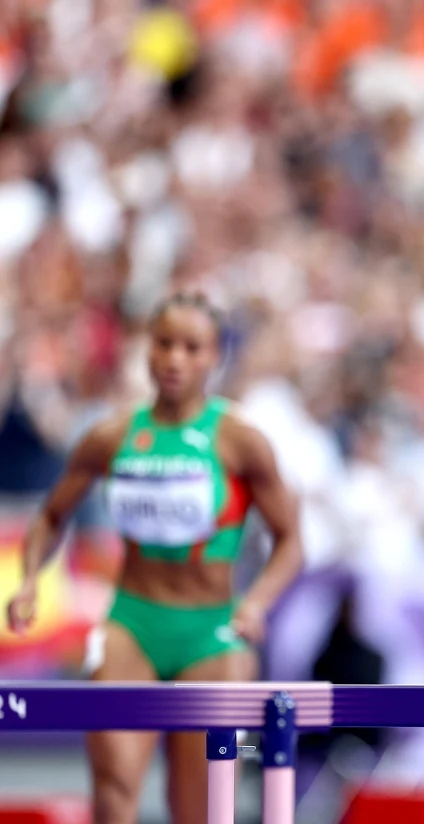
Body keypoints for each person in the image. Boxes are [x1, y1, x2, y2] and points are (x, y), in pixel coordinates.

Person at [5, 292, 303, 824]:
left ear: (215, 357)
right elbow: (51, 516)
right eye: (164, 344)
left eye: (192, 348)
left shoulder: (240, 441)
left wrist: (257, 602)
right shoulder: (112, 435)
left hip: (212, 634)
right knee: (114, 794)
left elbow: (291, 541)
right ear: (147, 349)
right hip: (130, 623)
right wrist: (30, 579)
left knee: (199, 806)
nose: (174, 359)